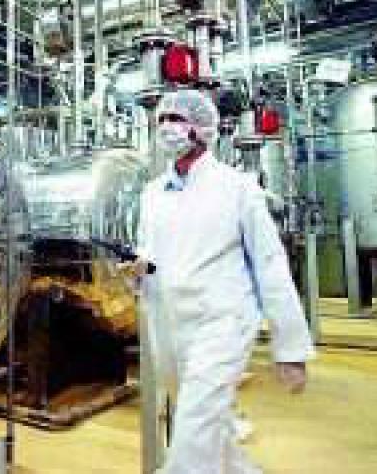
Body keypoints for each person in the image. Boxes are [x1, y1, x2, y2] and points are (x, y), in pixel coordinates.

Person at [128, 89, 314, 474]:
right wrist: (140, 269)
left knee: (194, 430)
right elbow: (151, 254)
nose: (166, 128)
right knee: (210, 428)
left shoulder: (237, 188)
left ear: (203, 128)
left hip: (222, 323)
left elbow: (270, 265)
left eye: (176, 119)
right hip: (169, 325)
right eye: (161, 120)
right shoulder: (152, 194)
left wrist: (290, 348)